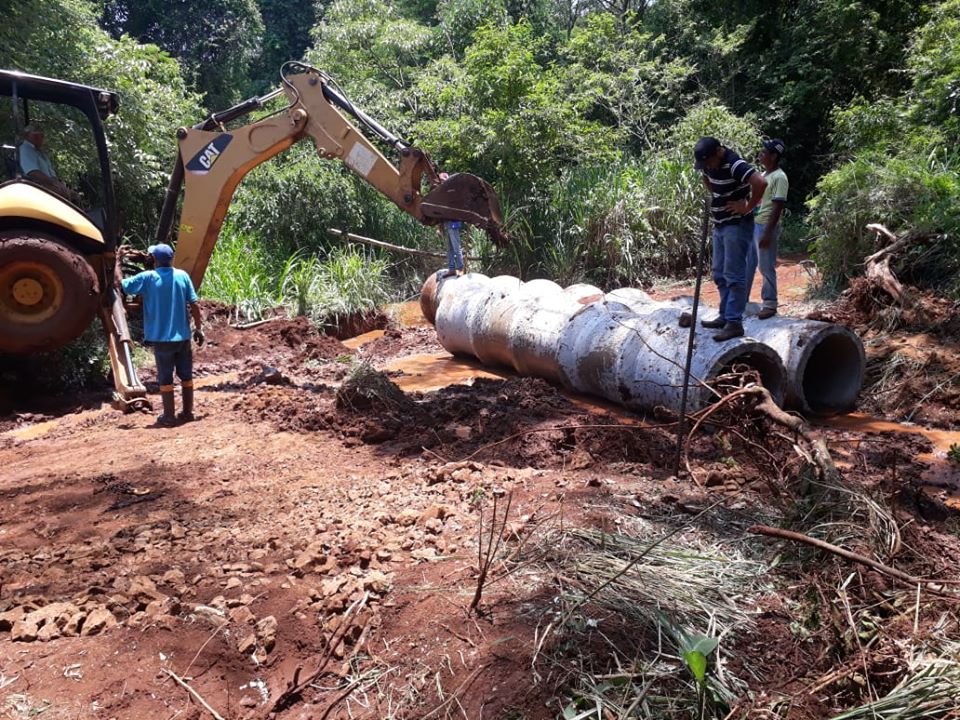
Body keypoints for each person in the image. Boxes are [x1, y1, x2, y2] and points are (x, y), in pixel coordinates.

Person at [119, 243, 205, 426]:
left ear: (154, 259)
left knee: (165, 378)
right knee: (186, 375)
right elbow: (195, 305)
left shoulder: (148, 278)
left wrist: (118, 261)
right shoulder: (182, 276)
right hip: (183, 337)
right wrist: (198, 328)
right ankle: (188, 412)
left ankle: (169, 416)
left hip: (162, 339)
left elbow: (122, 286)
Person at [693, 136, 768, 341]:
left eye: (709, 162)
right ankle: (725, 316)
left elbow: (760, 182)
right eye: (704, 164)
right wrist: (719, 194)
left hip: (736, 225)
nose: (707, 167)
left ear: (719, 151)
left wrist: (747, 207)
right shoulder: (709, 164)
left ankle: (734, 322)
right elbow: (707, 179)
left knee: (734, 275)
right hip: (720, 225)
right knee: (719, 273)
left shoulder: (735, 164)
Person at [744, 139, 788, 319]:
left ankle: (770, 303)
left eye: (765, 151)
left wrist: (768, 233)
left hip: (765, 226)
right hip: (754, 224)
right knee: (748, 264)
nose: (761, 154)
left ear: (774, 155)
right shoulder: (764, 174)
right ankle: (741, 301)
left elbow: (777, 206)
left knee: (766, 265)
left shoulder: (780, 177)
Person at [18, 124, 79, 202]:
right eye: (37, 136)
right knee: (64, 195)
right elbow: (33, 172)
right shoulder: (25, 149)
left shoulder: (40, 152)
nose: (41, 138)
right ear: (29, 136)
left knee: (74, 195)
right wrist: (54, 183)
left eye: (42, 136)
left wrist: (58, 184)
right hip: (37, 187)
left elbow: (51, 173)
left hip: (49, 184)